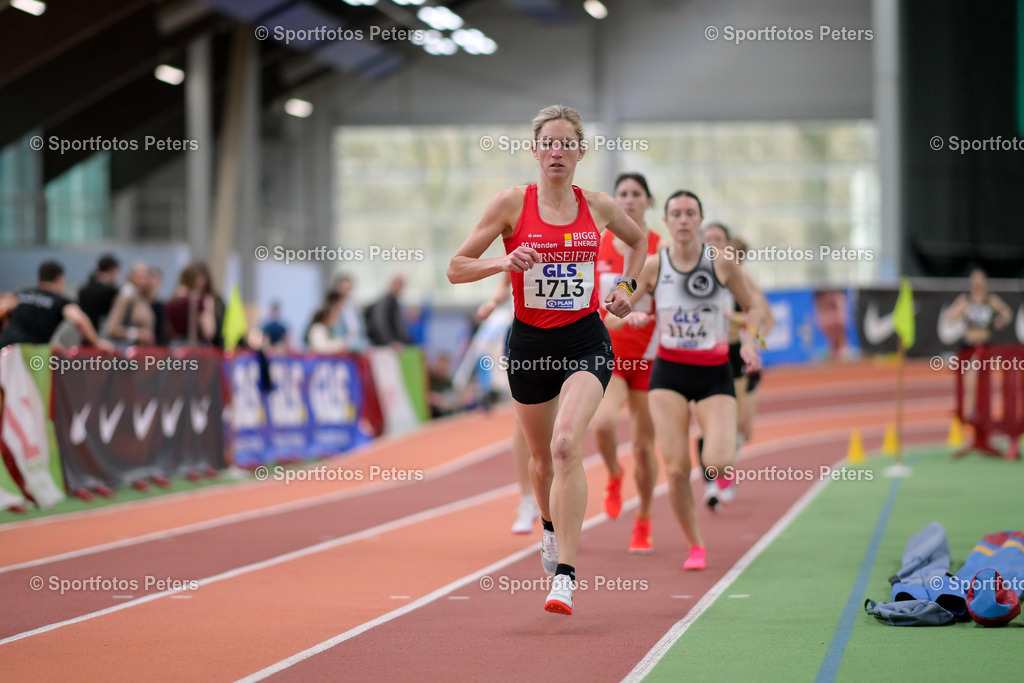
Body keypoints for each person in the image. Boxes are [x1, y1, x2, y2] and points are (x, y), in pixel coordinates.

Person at [448, 104, 646, 615]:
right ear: (535, 151)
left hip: (585, 340)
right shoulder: (513, 203)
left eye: (566, 143)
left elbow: (639, 241)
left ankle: (566, 577)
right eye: (548, 143)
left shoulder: (598, 206)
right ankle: (550, 527)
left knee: (563, 447)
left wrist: (627, 287)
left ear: (580, 152)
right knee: (540, 461)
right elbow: (456, 266)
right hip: (530, 347)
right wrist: (503, 259)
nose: (556, 151)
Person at [627, 190, 764, 571]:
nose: (683, 220)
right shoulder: (654, 265)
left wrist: (750, 342)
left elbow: (752, 306)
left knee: (717, 463)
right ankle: (695, 545)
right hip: (668, 371)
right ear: (666, 222)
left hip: (713, 371)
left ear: (700, 221)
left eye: (690, 214)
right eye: (676, 214)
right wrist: (629, 311)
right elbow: (621, 301)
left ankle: (719, 468)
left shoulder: (721, 262)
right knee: (674, 469)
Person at [590, 172, 661, 553]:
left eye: (636, 194)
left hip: (650, 359)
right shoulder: (598, 244)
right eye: (623, 195)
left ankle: (645, 518)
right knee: (601, 425)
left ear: (648, 202)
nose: (630, 200)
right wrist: (618, 316)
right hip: (612, 354)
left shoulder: (660, 249)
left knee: (645, 449)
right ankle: (615, 474)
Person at [698, 225, 774, 509]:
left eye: (718, 240)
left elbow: (762, 315)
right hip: (699, 354)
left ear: (728, 243)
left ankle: (725, 466)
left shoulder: (738, 275)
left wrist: (742, 328)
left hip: (732, 354)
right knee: (706, 426)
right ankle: (710, 485)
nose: (713, 245)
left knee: (735, 425)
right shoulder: (686, 272)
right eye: (708, 240)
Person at [476, 272, 538, 535]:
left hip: (571, 336)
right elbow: (505, 282)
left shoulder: (582, 236)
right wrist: (493, 302)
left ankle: (558, 503)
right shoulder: (522, 239)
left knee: (563, 429)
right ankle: (527, 501)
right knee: (523, 420)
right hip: (524, 336)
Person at [940, 268, 1013, 419]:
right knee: (970, 377)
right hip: (969, 345)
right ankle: (971, 411)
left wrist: (1000, 321)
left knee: (983, 378)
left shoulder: (990, 299)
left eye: (980, 279)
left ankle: (982, 410)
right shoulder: (966, 299)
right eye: (974, 279)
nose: (977, 283)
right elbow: (948, 315)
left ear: (985, 282)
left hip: (985, 345)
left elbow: (1007, 313)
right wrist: (959, 313)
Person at [0, 260, 113, 352]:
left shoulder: (21, 294)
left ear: (39, 279)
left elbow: (4, 309)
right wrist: (97, 343)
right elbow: (79, 319)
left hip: (5, 347)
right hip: (28, 353)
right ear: (60, 279)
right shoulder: (60, 301)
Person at [164, 262, 218, 347]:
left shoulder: (173, 299)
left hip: (175, 346)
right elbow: (208, 332)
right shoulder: (202, 300)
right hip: (197, 348)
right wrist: (208, 309)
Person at [103, 262, 157, 347]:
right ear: (132, 277)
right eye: (140, 277)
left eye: (146, 277)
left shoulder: (144, 298)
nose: (143, 280)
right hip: (128, 351)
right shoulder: (126, 297)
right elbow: (112, 329)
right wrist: (138, 334)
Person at [365, 273, 414, 346]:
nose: (398, 287)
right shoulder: (384, 303)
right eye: (397, 284)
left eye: (400, 285)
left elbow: (399, 329)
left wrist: (410, 343)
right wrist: (390, 342)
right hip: (383, 345)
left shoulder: (395, 303)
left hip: (395, 344)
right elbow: (380, 325)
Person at [77, 253, 120, 332]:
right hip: (101, 333)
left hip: (84, 332)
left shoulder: (83, 290)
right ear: (112, 269)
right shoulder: (112, 292)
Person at [332, 275, 370, 353]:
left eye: (349, 289)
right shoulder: (334, 309)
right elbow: (336, 334)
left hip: (359, 348)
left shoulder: (355, 308)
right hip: (344, 349)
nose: (347, 292)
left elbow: (361, 331)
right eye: (344, 289)